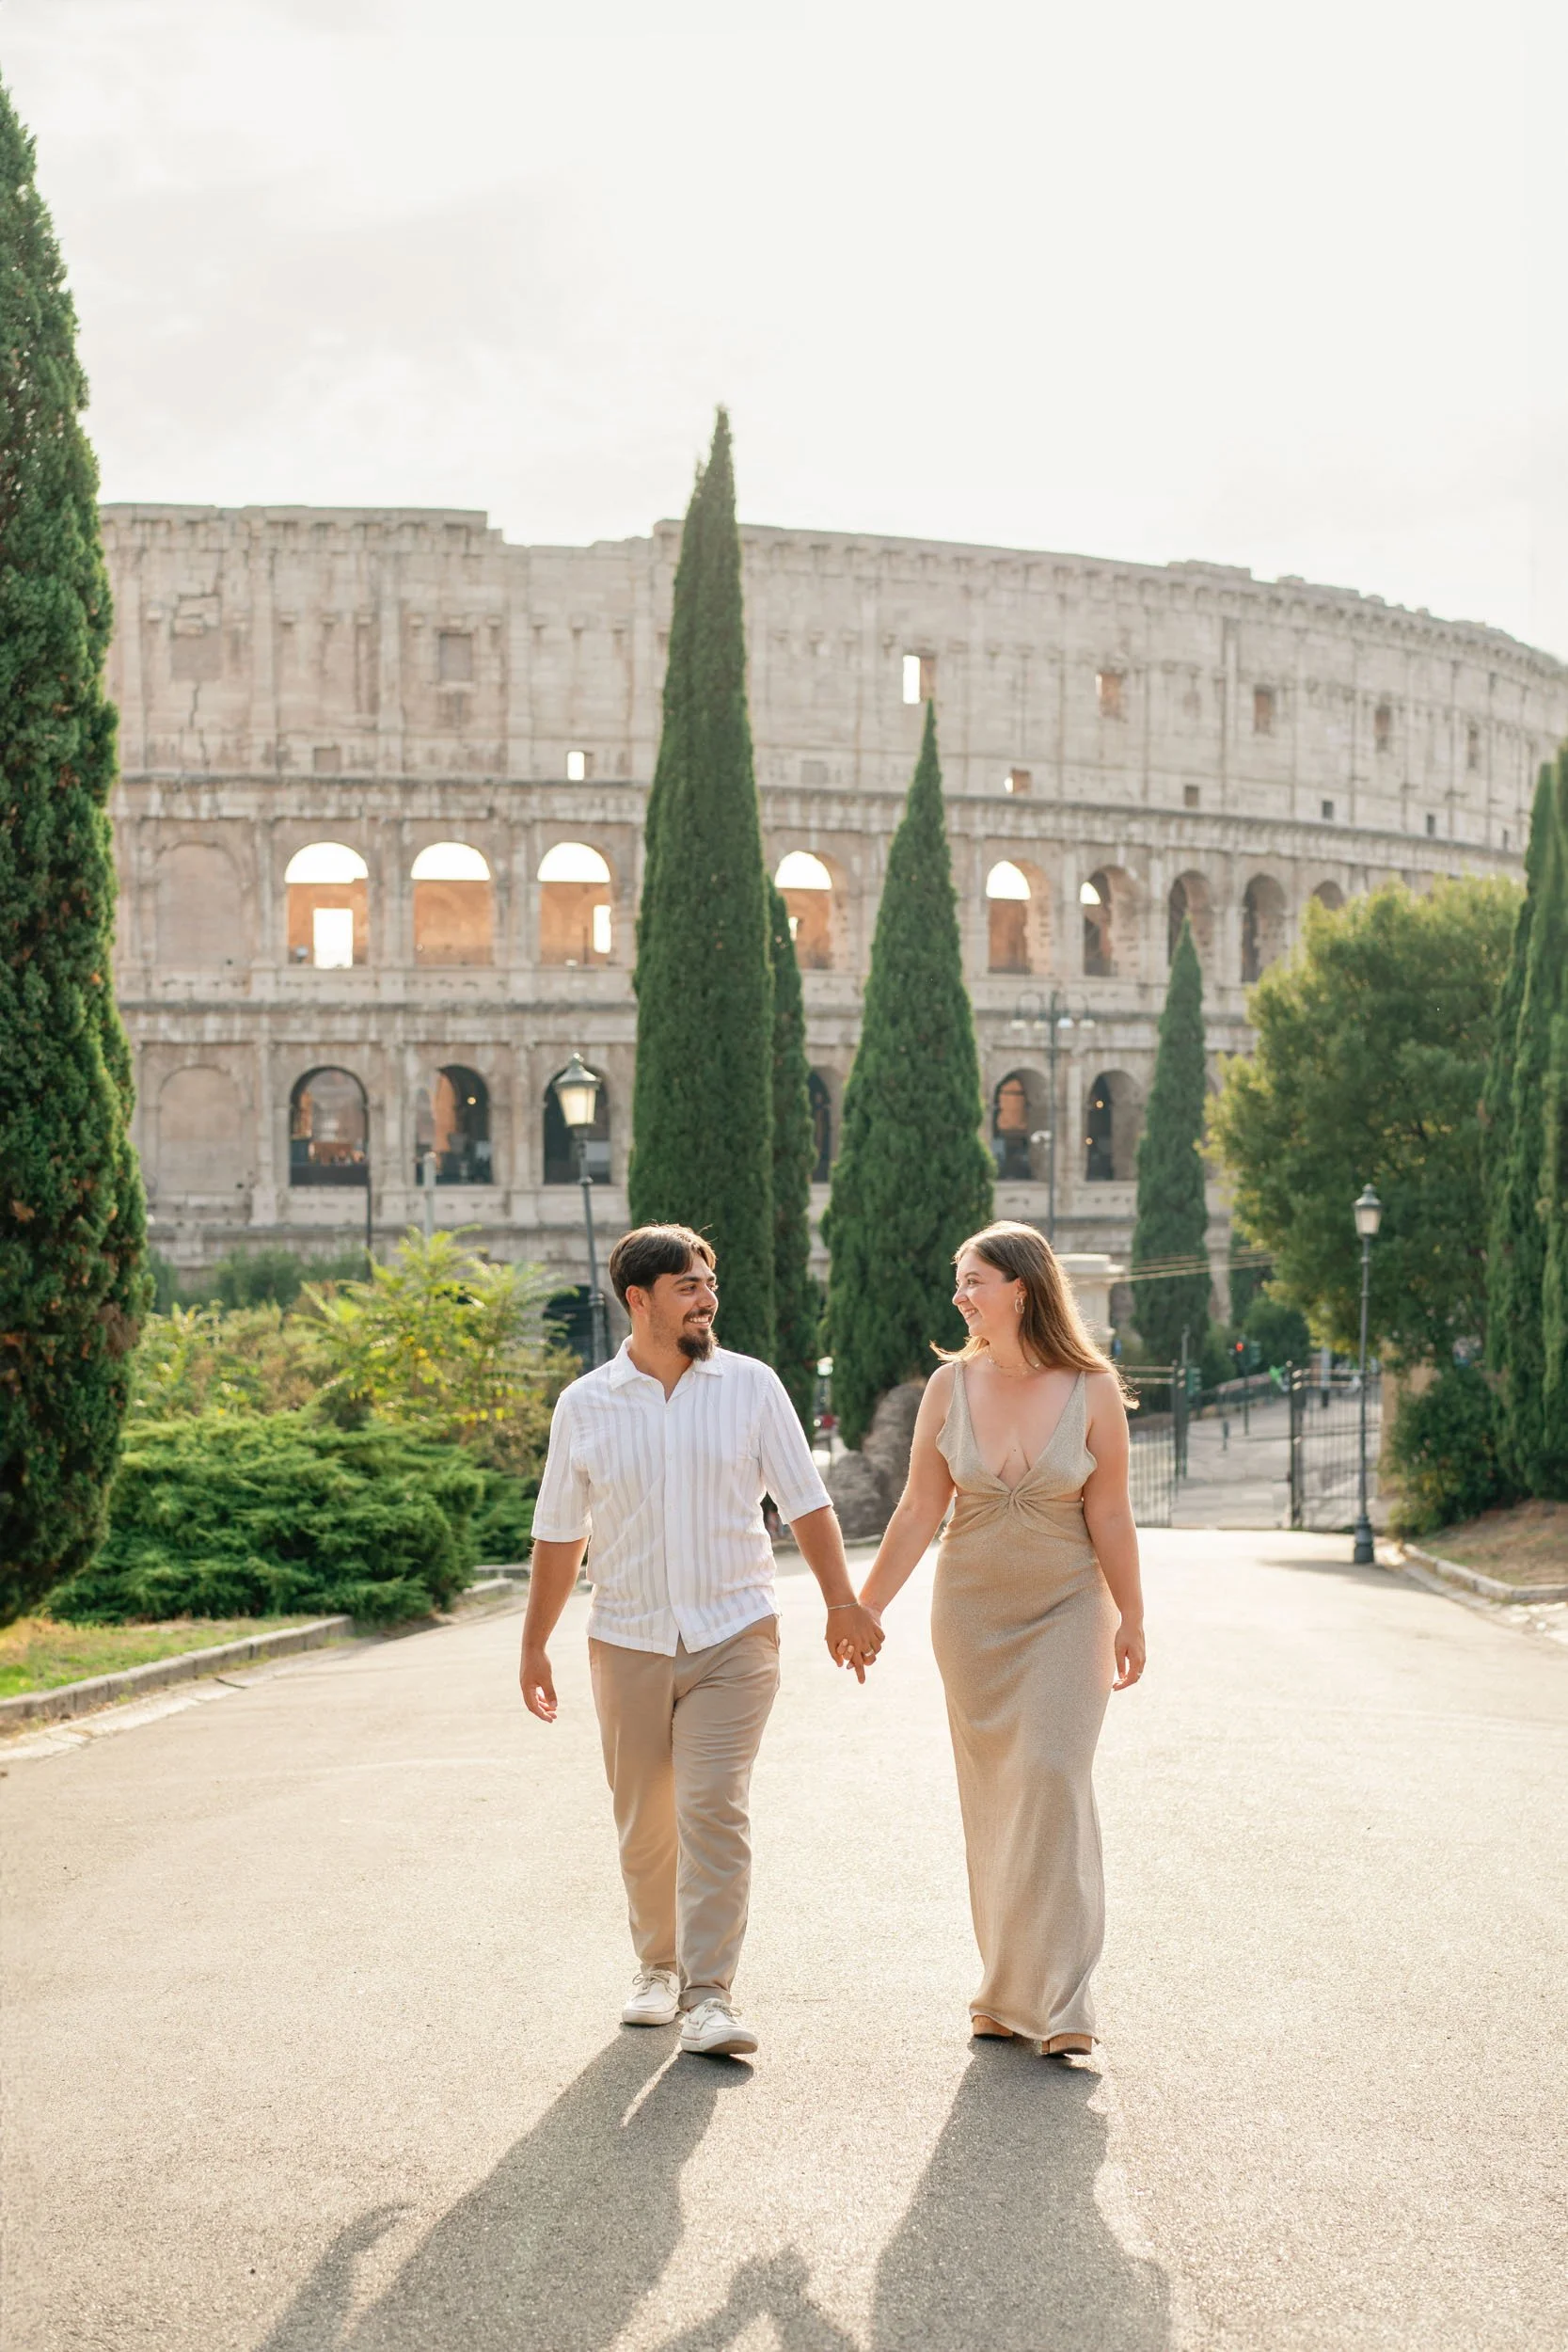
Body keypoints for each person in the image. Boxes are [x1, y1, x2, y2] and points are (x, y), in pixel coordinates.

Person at [520, 1223, 882, 2059]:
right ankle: (656, 1967)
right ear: (638, 1298)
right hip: (628, 1637)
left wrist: (842, 1604)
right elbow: (556, 1534)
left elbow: (806, 1502)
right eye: (687, 1286)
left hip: (733, 1631)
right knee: (644, 1817)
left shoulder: (751, 1387)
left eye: (709, 1284)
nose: (707, 1300)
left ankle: (710, 1993)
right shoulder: (585, 1404)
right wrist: (535, 1644)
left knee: (711, 1806)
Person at [847, 1221, 1146, 2056]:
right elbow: (915, 1511)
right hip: (971, 1614)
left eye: (972, 1278)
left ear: (1021, 1286)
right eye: (957, 1279)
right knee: (996, 1800)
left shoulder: (1090, 1388)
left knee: (1052, 1775)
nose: (960, 1294)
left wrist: (1133, 1616)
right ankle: (1004, 1989)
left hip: (1068, 1607)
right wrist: (865, 1609)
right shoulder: (949, 1387)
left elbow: (1111, 1512)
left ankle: (1062, 2003)